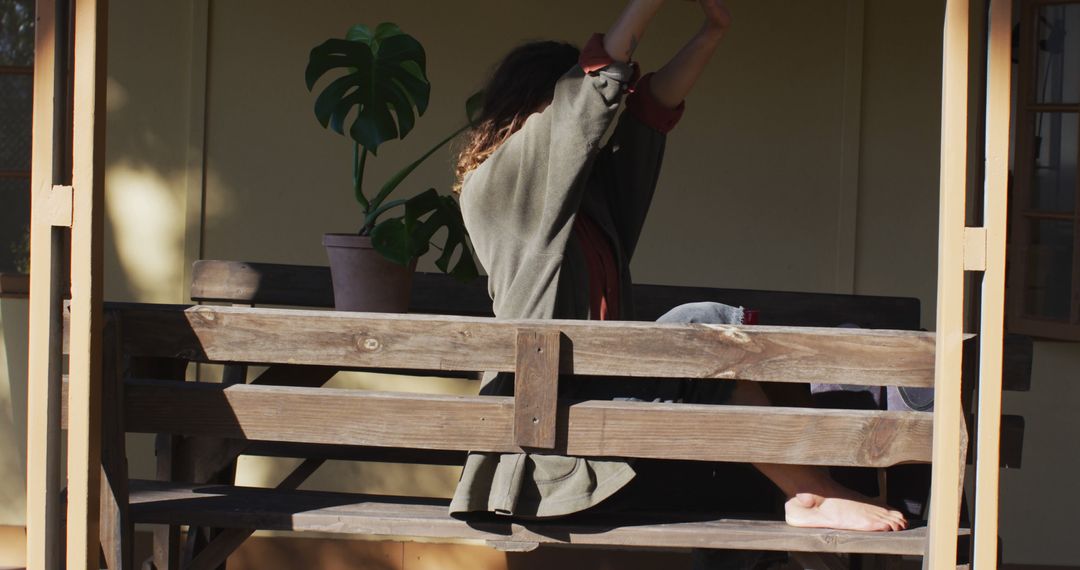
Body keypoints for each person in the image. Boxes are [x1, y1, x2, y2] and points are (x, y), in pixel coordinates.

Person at [450, 0, 907, 533]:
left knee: (705, 342)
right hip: (552, 448)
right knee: (698, 327)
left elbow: (648, 115)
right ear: (535, 108)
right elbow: (591, 90)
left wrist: (712, 32)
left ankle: (813, 492)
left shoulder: (586, 200)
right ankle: (811, 493)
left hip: (609, 419)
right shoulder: (499, 187)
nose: (589, 131)